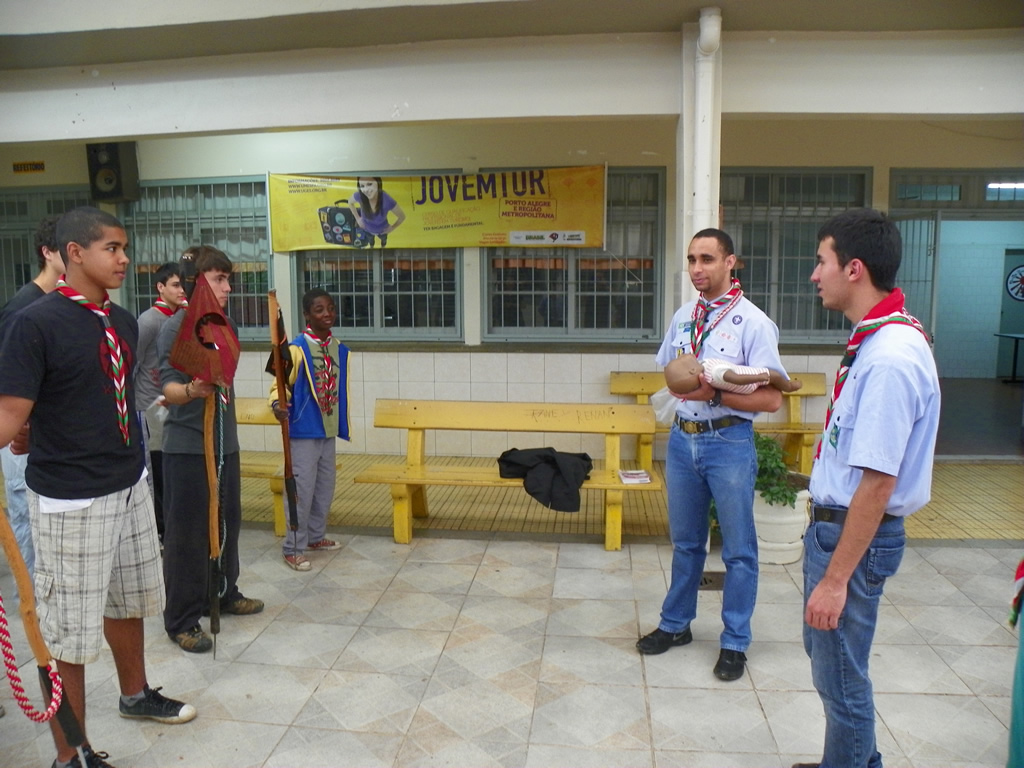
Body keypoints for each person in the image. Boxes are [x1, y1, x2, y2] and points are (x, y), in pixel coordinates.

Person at [0, 206, 196, 768]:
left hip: (129, 483)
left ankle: (135, 695)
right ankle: (72, 754)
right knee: (65, 632)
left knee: (128, 601)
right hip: (72, 498)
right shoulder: (34, 322)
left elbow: (95, 394)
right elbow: (11, 413)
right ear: (74, 253)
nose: (124, 258)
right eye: (112, 248)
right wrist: (23, 429)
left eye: (124, 247)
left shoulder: (122, 321)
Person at [797, 208, 939, 768]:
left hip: (852, 538)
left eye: (821, 261)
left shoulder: (890, 357)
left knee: (841, 679)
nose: (815, 274)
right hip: (837, 531)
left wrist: (835, 581)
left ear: (853, 268)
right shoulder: (878, 340)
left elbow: (878, 482)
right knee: (832, 667)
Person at [637, 227, 787, 683]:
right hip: (683, 440)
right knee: (686, 543)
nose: (697, 269)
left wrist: (716, 394)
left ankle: (735, 641)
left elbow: (771, 399)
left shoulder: (754, 323)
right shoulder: (685, 316)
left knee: (739, 550)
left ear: (730, 262)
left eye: (707, 259)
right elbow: (671, 372)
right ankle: (675, 624)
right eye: (691, 259)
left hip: (729, 443)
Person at [157, 245, 263, 654]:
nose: (228, 288)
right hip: (188, 449)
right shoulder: (176, 327)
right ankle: (182, 619)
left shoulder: (224, 324)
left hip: (224, 444)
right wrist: (191, 390)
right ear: (197, 283)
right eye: (219, 279)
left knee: (227, 523)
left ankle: (222, 592)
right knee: (188, 535)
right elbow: (167, 387)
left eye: (228, 279)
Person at [0, 214, 62, 589]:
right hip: (18, 430)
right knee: (27, 519)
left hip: (44, 434)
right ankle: (33, 602)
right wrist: (21, 423)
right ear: (48, 253)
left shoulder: (62, 305)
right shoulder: (22, 309)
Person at [269, 288, 350, 570]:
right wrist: (277, 403)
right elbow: (279, 384)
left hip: (327, 429)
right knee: (300, 490)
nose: (327, 314)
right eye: (319, 309)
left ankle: (315, 536)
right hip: (303, 430)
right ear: (307, 314)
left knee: (324, 487)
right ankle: (293, 547)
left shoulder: (337, 347)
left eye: (331, 308)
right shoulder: (296, 349)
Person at [134, 263, 187, 543]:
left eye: (183, 285)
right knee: (157, 469)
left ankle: (175, 526)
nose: (181, 290)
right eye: (175, 285)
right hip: (151, 406)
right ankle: (160, 530)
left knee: (174, 466)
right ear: (160, 287)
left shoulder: (183, 318)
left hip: (176, 402)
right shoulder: (149, 321)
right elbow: (132, 364)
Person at [665, 352, 802, 396]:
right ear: (692, 370)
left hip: (743, 378)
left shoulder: (703, 366)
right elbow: (736, 379)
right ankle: (789, 387)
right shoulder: (714, 372)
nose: (682, 355)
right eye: (680, 359)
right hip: (748, 380)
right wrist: (758, 377)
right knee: (774, 376)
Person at [348, 176, 406, 247]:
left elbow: (402, 217)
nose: (366, 189)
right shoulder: (360, 196)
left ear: (378, 183)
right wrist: (357, 219)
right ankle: (372, 245)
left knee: (383, 240)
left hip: (382, 231)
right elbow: (350, 203)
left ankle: (383, 245)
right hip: (367, 229)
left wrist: (392, 228)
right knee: (370, 240)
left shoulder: (386, 200)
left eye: (369, 184)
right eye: (362, 186)